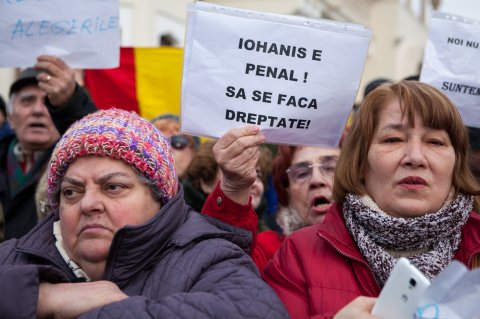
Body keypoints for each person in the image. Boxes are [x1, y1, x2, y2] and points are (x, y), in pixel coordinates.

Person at [0, 109, 289, 319]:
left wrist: (105, 310)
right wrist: (39, 297)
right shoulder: (15, 255)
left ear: (158, 197)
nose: (88, 204)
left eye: (112, 187)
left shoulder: (207, 257)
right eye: (71, 192)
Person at [262, 81, 480, 318]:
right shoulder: (299, 253)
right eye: (393, 140)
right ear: (360, 162)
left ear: (456, 163)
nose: (415, 157)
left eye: (435, 142)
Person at [201, 126, 340, 276]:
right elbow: (221, 270)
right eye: (301, 173)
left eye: (330, 168)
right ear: (287, 193)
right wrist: (234, 186)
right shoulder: (269, 254)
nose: (316, 180)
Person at [0, 55, 96, 241]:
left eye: (48, 102)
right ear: (11, 118)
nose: (38, 110)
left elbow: (97, 139)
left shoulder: (74, 163)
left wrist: (71, 101)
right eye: (27, 101)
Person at [151, 113, 200, 180]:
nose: (168, 148)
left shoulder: (214, 187)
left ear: (194, 150)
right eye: (159, 143)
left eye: (178, 142)